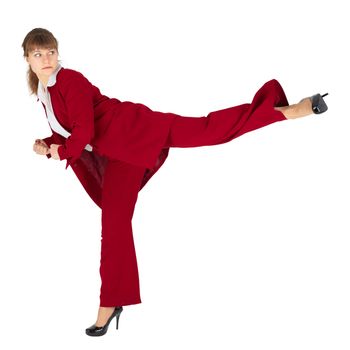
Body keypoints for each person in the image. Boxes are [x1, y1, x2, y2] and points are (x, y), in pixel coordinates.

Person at [22, 27, 328, 337]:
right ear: (28, 59)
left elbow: (83, 132)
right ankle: (112, 302)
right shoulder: (45, 91)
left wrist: (63, 152)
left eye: (50, 52)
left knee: (207, 130)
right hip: (118, 151)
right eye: (38, 54)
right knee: (114, 227)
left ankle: (285, 111)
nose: (46, 58)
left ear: (57, 53)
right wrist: (47, 144)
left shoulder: (70, 80)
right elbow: (69, 130)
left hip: (135, 131)